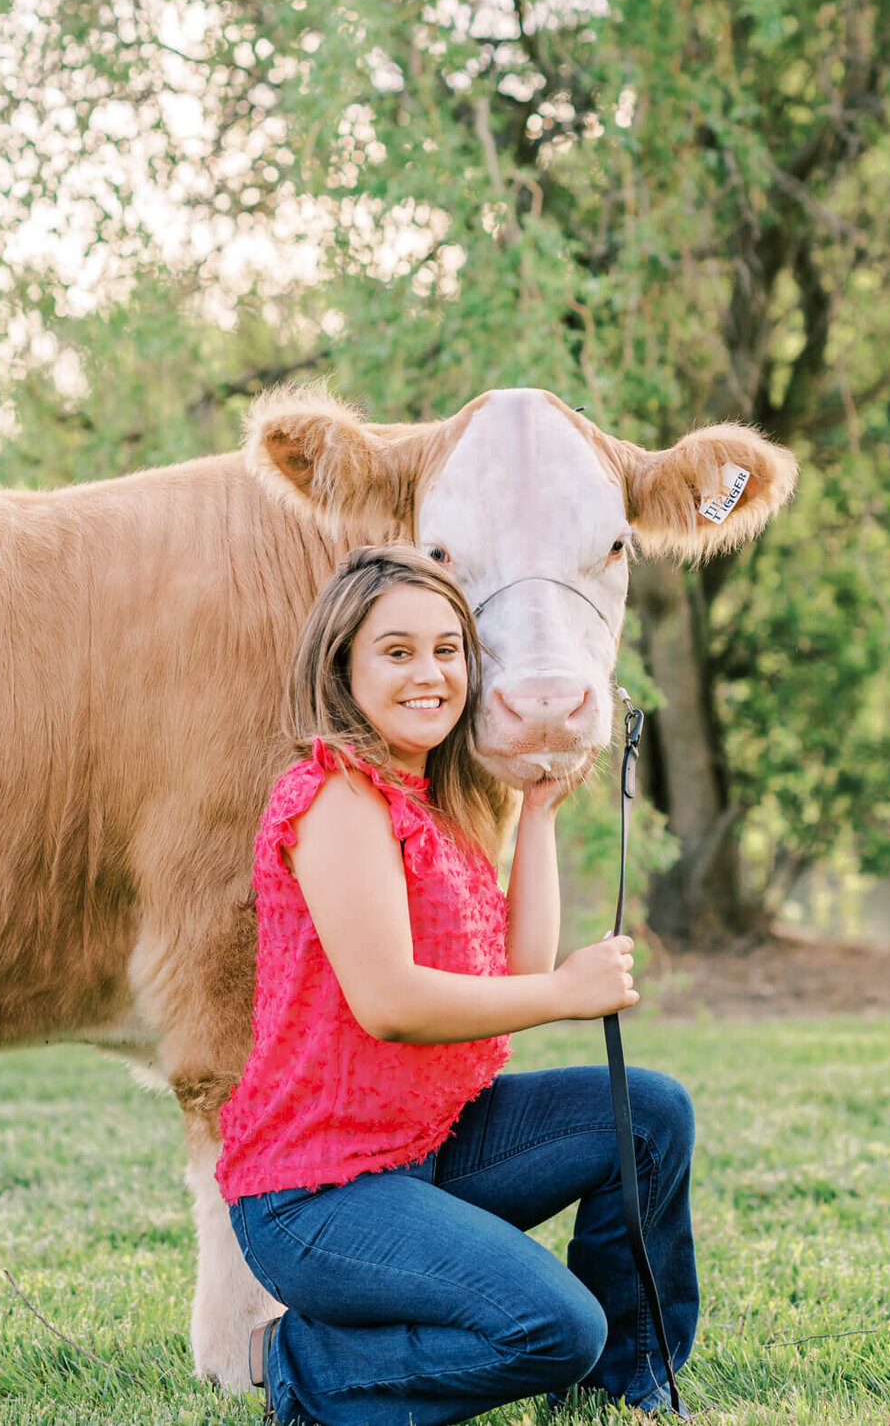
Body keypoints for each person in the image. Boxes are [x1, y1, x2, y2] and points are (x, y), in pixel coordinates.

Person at [216, 544, 698, 1425]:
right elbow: (391, 1003)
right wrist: (565, 992)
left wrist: (536, 816)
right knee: (552, 1324)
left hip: (425, 1147)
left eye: (448, 649)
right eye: (397, 651)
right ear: (343, 667)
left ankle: (630, 1384)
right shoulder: (334, 797)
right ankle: (299, 1361)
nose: (430, 673)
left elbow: (517, 971)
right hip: (316, 1194)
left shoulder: (430, 804)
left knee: (651, 1115)